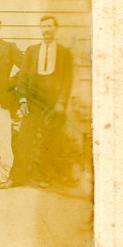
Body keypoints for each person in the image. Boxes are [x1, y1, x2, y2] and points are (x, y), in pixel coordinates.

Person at [14, 15, 74, 187]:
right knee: (25, 137)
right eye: (44, 26)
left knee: (49, 140)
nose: (46, 29)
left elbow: (67, 80)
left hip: (52, 102)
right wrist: (23, 100)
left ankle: (44, 177)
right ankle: (19, 177)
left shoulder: (64, 53)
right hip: (32, 100)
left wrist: (61, 102)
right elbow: (22, 76)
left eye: (49, 26)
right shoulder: (32, 51)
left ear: (55, 29)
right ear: (41, 29)